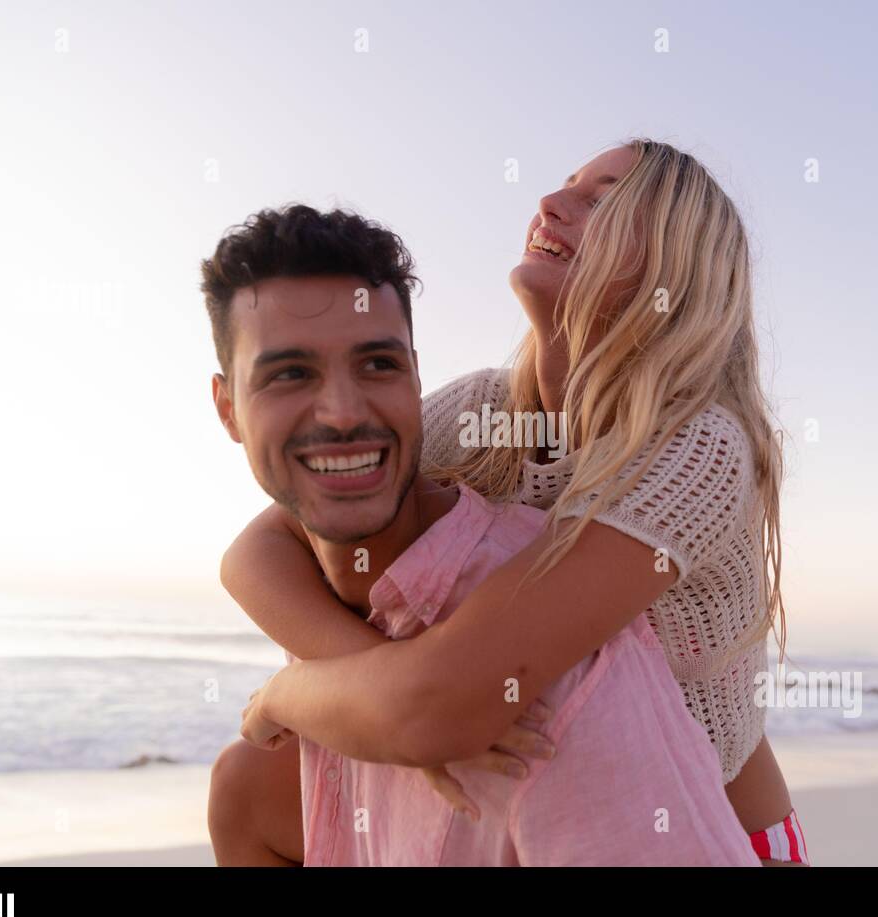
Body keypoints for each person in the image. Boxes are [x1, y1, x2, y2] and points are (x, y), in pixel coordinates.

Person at [211, 138, 808, 867]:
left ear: (674, 269)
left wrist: (295, 692)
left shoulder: (698, 447)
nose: (551, 204)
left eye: (601, 200)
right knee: (243, 786)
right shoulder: (485, 411)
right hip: (519, 775)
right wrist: (387, 699)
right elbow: (260, 550)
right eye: (565, 185)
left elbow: (449, 701)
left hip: (692, 828)